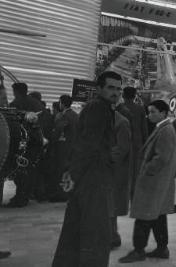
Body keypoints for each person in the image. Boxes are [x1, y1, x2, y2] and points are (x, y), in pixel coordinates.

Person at [52, 71, 122, 267]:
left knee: (76, 229)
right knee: (96, 234)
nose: (115, 92)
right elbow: (87, 144)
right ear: (99, 88)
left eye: (118, 89)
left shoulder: (100, 107)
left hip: (89, 176)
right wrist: (73, 174)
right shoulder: (99, 108)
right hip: (93, 179)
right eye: (111, 88)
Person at [119, 100, 176, 263]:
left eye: (153, 112)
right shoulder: (163, 128)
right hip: (157, 182)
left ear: (164, 113)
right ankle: (162, 248)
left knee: (143, 217)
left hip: (153, 182)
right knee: (158, 216)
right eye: (149, 111)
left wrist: (146, 171)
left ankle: (139, 250)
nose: (149, 115)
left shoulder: (165, 130)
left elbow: (161, 158)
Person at [6, 82, 45, 208]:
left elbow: (11, 124)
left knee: (20, 169)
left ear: (16, 91)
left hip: (22, 142)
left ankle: (20, 198)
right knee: (30, 169)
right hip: (37, 141)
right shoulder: (37, 103)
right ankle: (25, 196)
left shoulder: (15, 104)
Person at [48, 94, 78, 202]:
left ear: (62, 103)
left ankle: (61, 194)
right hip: (73, 147)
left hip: (64, 147)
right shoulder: (75, 115)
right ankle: (67, 192)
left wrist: (51, 139)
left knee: (60, 171)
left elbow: (58, 131)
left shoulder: (64, 116)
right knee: (68, 171)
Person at [121, 87, 148, 195]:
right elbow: (144, 128)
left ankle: (122, 190)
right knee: (135, 168)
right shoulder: (140, 109)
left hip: (121, 141)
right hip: (137, 142)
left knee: (122, 167)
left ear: (123, 95)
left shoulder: (119, 108)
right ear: (135, 96)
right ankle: (133, 191)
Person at [110, 107, 131, 249]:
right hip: (100, 170)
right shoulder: (97, 119)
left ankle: (112, 236)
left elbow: (122, 149)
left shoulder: (121, 122)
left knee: (110, 205)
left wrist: (103, 157)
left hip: (111, 170)